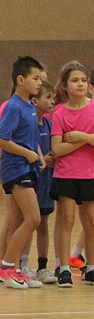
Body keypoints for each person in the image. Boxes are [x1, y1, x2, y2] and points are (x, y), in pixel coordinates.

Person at [0, 56, 45, 289]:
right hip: (17, 169)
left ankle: (13, 269)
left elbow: (29, 138)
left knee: (18, 220)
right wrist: (27, 153)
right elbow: (2, 139)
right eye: (36, 78)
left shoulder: (30, 105)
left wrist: (38, 155)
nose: (39, 83)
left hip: (28, 167)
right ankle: (5, 267)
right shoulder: (13, 106)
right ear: (21, 80)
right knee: (33, 218)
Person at [50, 61, 94, 287]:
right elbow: (57, 149)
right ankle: (63, 268)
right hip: (66, 173)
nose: (80, 84)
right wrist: (85, 141)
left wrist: (81, 136)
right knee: (66, 219)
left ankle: (91, 267)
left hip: (90, 173)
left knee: (91, 221)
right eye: (75, 80)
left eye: (83, 80)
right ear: (65, 85)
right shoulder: (60, 113)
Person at [32, 80, 57, 284]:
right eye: (48, 97)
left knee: (43, 223)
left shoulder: (49, 124)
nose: (52, 101)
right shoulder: (30, 124)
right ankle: (19, 264)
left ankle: (42, 266)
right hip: (31, 179)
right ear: (35, 100)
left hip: (47, 181)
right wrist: (41, 159)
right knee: (28, 221)